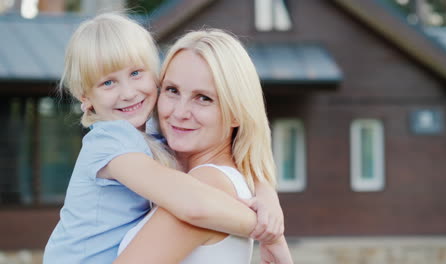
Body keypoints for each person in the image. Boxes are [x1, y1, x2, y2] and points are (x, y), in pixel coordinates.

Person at [43, 13, 284, 263]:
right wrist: (269, 232)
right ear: (85, 98)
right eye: (172, 90)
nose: (127, 93)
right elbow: (196, 205)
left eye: (136, 73)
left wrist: (267, 197)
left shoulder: (162, 143)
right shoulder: (111, 140)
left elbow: (201, 199)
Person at [115, 29, 293, 264]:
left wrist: (271, 231)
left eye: (203, 98)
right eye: (172, 90)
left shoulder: (207, 184)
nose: (179, 113)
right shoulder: (197, 176)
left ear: (236, 113)